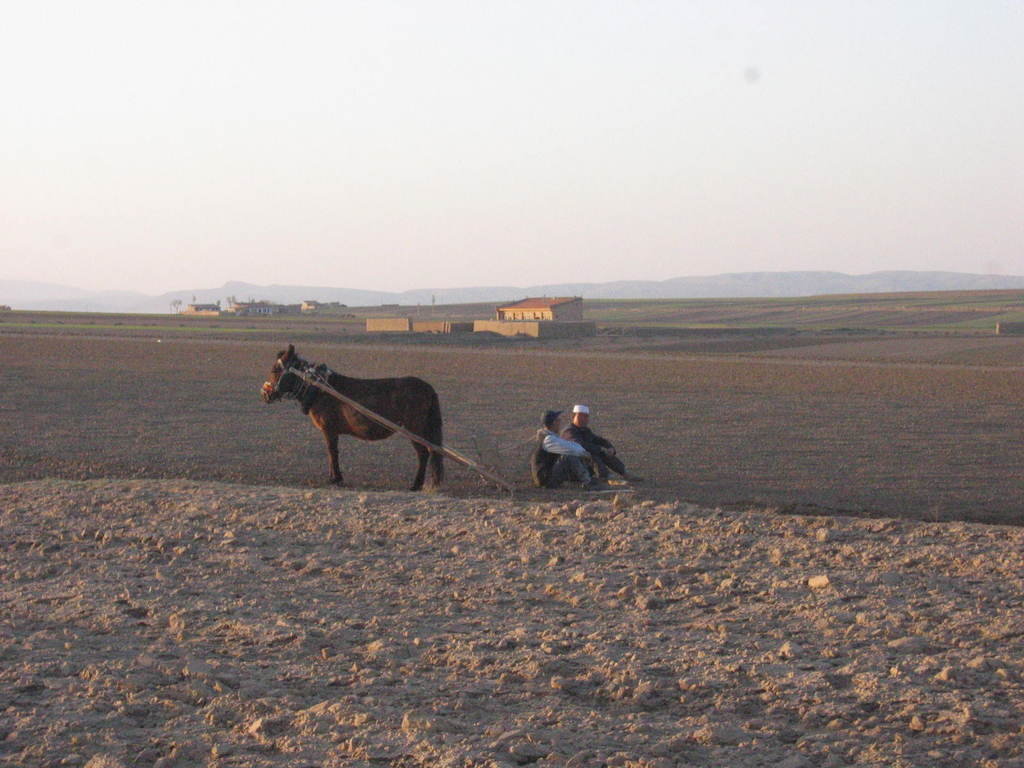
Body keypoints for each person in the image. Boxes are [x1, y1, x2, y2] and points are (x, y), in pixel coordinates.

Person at [561, 404, 643, 482]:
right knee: (593, 454)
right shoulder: (569, 431)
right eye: (580, 416)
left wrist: (609, 448)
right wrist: (601, 449)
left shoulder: (585, 430)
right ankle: (603, 477)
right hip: (571, 466)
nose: (584, 419)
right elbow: (581, 446)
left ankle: (624, 473)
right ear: (573, 416)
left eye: (586, 416)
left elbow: (599, 440)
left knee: (603, 453)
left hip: (583, 462)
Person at [531, 410, 606, 490]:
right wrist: (586, 453)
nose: (560, 422)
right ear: (553, 423)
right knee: (569, 456)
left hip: (547, 475)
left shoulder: (548, 437)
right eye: (558, 420)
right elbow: (571, 448)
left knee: (570, 456)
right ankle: (587, 482)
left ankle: (585, 479)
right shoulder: (549, 439)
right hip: (546, 480)